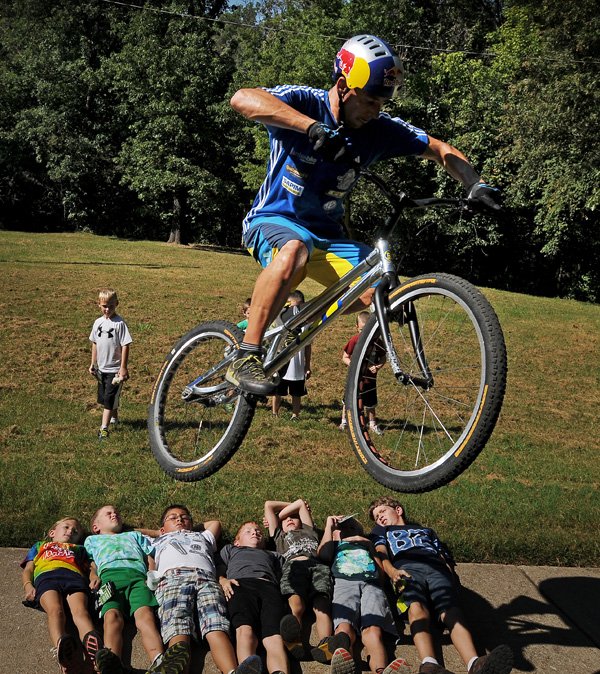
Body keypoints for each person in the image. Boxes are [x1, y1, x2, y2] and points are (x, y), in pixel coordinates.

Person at [225, 34, 501, 397]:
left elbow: (439, 149)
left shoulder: (379, 131)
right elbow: (242, 98)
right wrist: (309, 127)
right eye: (369, 100)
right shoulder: (306, 102)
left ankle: (305, 329)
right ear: (343, 86)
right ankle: (246, 354)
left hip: (326, 237)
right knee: (295, 251)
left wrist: (475, 184)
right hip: (272, 222)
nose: (375, 110)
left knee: (384, 291)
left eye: (383, 103)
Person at [368, 497, 513, 674]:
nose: (379, 518)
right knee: (416, 607)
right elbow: (381, 553)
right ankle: (429, 664)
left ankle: (475, 663)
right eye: (376, 516)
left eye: (382, 511)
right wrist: (392, 572)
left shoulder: (426, 531)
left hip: (437, 571)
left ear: (398, 510)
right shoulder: (381, 530)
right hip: (406, 570)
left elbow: (444, 558)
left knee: (451, 611)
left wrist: (453, 580)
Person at [148, 504, 262, 674]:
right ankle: (175, 669)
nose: (179, 519)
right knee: (178, 626)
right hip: (173, 578)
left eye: (184, 517)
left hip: (207, 579)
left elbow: (214, 523)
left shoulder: (202, 536)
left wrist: (187, 528)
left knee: (216, 625)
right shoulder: (157, 540)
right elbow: (132, 532)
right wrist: (161, 533)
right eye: (173, 517)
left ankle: (232, 671)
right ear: (162, 529)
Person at [84, 505, 186, 674]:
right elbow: (90, 563)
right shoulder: (92, 541)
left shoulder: (133, 535)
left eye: (116, 512)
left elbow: (148, 555)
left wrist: (150, 573)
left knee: (146, 617)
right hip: (109, 579)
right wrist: (93, 576)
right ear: (96, 527)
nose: (114, 514)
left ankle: (159, 661)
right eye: (108, 513)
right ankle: (112, 662)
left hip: (138, 578)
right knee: (112, 617)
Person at [317, 514, 409, 674]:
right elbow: (323, 555)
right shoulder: (337, 544)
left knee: (373, 630)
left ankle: (380, 670)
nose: (347, 531)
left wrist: (370, 546)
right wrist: (329, 527)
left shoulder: (366, 544)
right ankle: (344, 667)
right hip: (344, 584)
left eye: (352, 528)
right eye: (342, 528)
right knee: (344, 630)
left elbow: (380, 576)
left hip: (372, 585)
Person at [263, 499, 348, 663]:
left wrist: (282, 513)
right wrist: (280, 515)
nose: (289, 519)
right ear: (278, 525)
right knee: (296, 604)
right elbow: (268, 505)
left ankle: (326, 646)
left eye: (293, 517)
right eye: (284, 519)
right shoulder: (278, 536)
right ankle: (293, 641)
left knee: (322, 606)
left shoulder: (309, 530)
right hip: (294, 567)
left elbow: (301, 503)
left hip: (318, 567)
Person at [21, 516, 103, 674]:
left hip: (74, 578)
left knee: (81, 612)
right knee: (56, 611)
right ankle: (63, 651)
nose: (71, 531)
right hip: (47, 577)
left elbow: (91, 567)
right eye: (66, 527)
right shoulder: (40, 546)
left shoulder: (78, 549)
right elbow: (28, 570)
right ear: (52, 532)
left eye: (75, 531)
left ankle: (94, 654)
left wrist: (93, 576)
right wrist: (28, 586)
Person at [217, 521, 289, 674]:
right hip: (240, 585)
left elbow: (286, 575)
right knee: (245, 631)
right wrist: (223, 581)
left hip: (269, 588)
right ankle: (247, 668)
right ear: (237, 541)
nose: (255, 533)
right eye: (248, 531)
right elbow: (218, 569)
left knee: (274, 637)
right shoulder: (231, 550)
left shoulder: (274, 555)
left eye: (258, 531)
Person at [88, 288, 132, 440]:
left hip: (115, 371)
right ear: (99, 305)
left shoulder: (120, 324)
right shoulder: (97, 323)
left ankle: (104, 429)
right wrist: (93, 363)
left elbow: (126, 345)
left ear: (117, 304)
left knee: (109, 398)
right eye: (104, 306)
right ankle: (114, 418)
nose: (107, 309)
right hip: (101, 369)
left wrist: (123, 368)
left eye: (111, 306)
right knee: (105, 397)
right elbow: (94, 343)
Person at [339, 311, 385, 434]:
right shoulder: (354, 340)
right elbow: (345, 356)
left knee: (370, 403)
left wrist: (378, 366)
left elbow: (383, 357)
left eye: (367, 331)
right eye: (361, 330)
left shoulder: (377, 342)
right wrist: (353, 366)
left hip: (370, 379)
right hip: (355, 378)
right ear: (357, 328)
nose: (364, 334)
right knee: (348, 400)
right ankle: (344, 421)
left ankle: (372, 424)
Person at [271, 290, 312, 420]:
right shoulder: (281, 320)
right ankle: (274, 413)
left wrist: (307, 365)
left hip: (298, 365)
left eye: (296, 306)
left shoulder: (306, 325)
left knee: (297, 392)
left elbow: (308, 346)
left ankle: (295, 415)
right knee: (277, 390)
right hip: (281, 362)